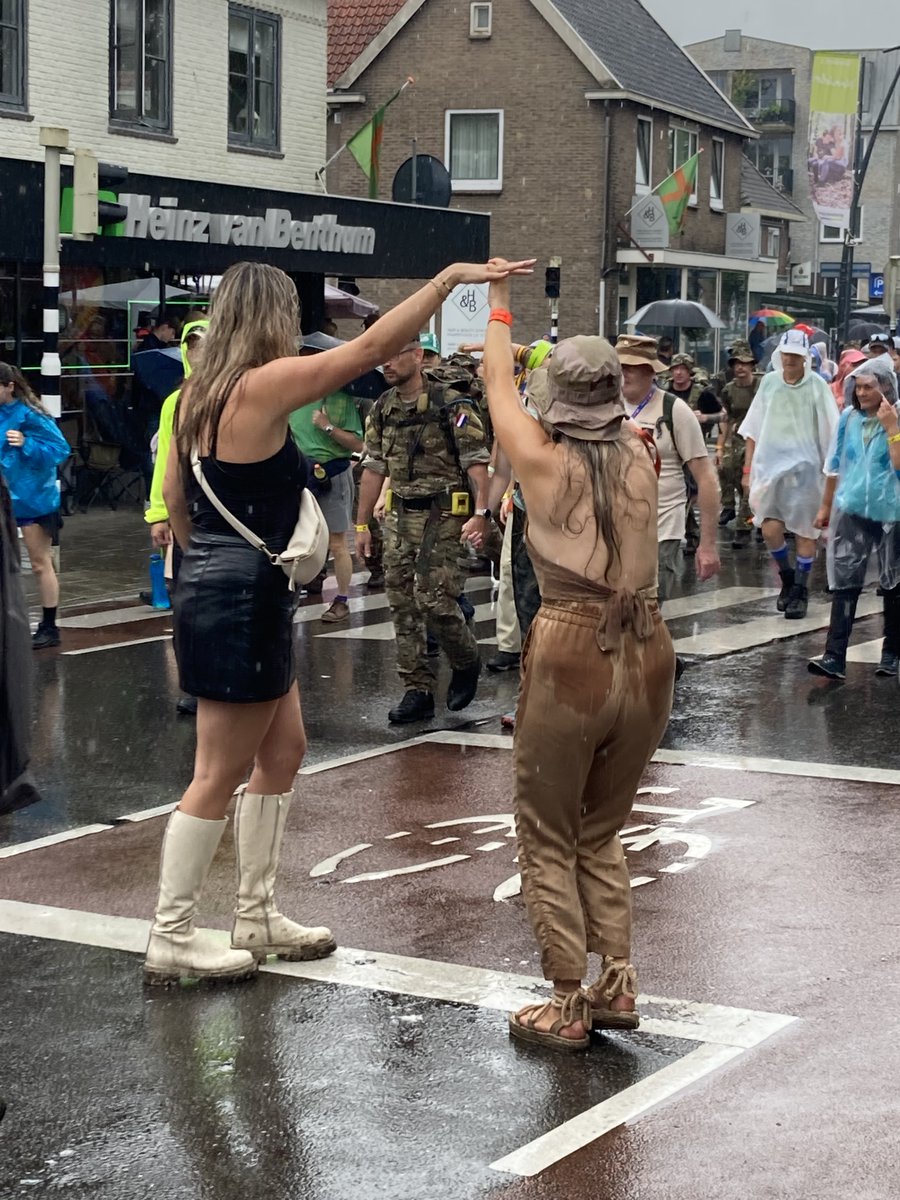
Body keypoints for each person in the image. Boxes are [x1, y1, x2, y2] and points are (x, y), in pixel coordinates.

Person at [147, 255, 533, 985]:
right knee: (217, 772)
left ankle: (255, 913)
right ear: (270, 318)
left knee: (283, 748)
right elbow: (370, 347)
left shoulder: (196, 394)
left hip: (218, 584)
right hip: (242, 594)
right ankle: (172, 933)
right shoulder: (261, 385)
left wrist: (217, 567)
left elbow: (174, 498)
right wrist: (445, 282)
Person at [481, 272, 675, 1052]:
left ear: (556, 400)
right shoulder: (639, 452)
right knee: (603, 828)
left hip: (570, 639)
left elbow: (497, 376)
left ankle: (566, 997)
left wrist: (496, 303)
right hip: (648, 641)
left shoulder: (538, 455)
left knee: (547, 830)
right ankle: (617, 981)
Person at [355, 346, 493, 724]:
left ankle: (466, 659)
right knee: (402, 604)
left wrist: (481, 514)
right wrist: (362, 524)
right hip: (400, 516)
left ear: (417, 357)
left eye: (396, 355)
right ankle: (417, 689)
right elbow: (373, 467)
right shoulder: (382, 408)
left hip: (446, 514)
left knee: (433, 600)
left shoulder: (453, 405)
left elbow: (477, 463)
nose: (387, 362)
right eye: (386, 356)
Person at [808, 358, 900, 680]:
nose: (860, 393)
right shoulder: (848, 419)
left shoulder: (897, 417)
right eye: (857, 387)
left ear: (885, 387)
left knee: (894, 584)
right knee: (845, 583)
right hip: (853, 508)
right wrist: (825, 507)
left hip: (892, 511)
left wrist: (892, 429)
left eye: (868, 387)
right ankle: (834, 656)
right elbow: (834, 466)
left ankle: (891, 653)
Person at [740, 329, 838, 619]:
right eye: (787, 355)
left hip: (806, 473)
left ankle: (801, 590)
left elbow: (831, 431)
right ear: (780, 355)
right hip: (769, 469)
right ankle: (787, 577)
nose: (791, 361)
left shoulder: (817, 387)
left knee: (805, 531)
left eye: (796, 356)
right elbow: (753, 428)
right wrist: (748, 469)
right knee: (770, 527)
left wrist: (831, 473)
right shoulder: (769, 383)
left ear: (805, 358)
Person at [615, 335, 721, 602]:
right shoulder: (606, 406)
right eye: (620, 366)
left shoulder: (675, 411)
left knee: (648, 614)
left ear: (650, 371)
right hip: (614, 529)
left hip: (661, 530)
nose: (623, 373)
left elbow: (706, 478)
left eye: (631, 366)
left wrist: (707, 545)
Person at [144, 317, 210, 713]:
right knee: (184, 602)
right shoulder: (176, 402)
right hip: (187, 513)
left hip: (222, 514)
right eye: (192, 346)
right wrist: (159, 513)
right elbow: (165, 463)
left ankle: (221, 680)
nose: (198, 354)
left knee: (216, 602)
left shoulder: (233, 394)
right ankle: (194, 682)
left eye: (206, 346)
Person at [0, 364, 70, 649]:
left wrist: (26, 443)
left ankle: (49, 626)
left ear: (9, 386)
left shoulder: (31, 415)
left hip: (32, 500)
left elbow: (60, 450)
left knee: (40, 564)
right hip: (5, 498)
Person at [290, 385, 364, 625]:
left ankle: (341, 600)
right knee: (296, 537)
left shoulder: (339, 399)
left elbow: (358, 445)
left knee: (337, 541)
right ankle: (294, 590)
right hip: (301, 474)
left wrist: (326, 425)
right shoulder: (292, 396)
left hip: (333, 472)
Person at [715, 341, 762, 548]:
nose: (740, 367)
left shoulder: (761, 386)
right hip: (737, 437)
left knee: (750, 481)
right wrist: (720, 446)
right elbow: (726, 418)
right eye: (736, 363)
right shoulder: (729, 389)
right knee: (728, 470)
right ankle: (735, 509)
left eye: (744, 363)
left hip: (759, 438)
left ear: (752, 365)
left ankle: (745, 527)